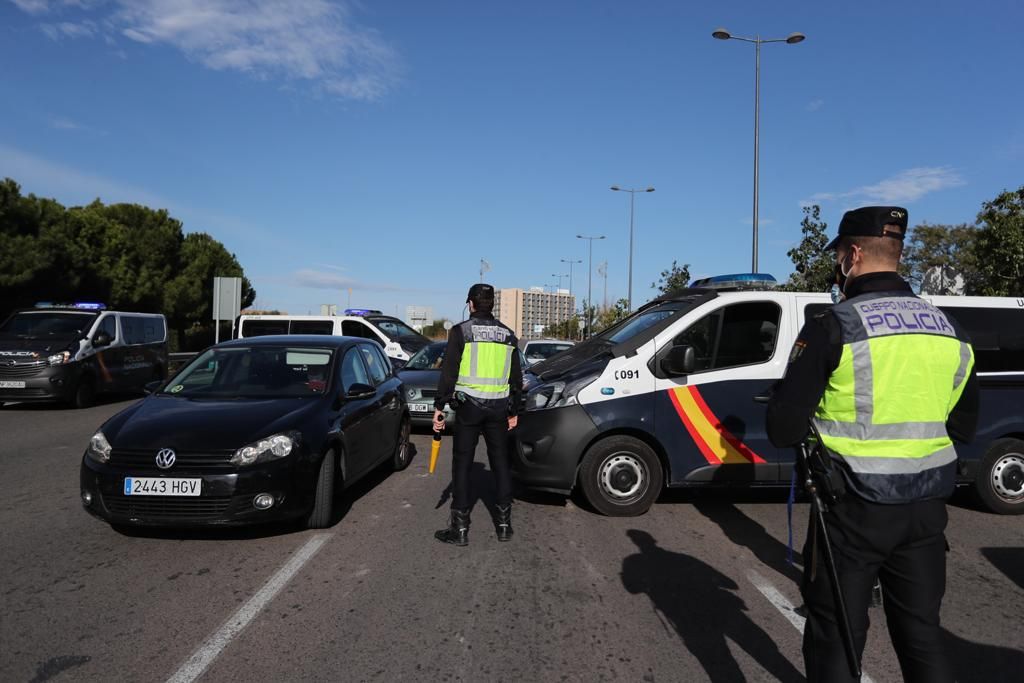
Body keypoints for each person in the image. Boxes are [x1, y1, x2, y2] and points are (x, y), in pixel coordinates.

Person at [766, 206, 979, 683]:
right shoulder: (949, 329)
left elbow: (783, 428)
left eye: (840, 253)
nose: (838, 262)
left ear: (854, 254)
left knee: (837, 633)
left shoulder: (834, 326)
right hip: (926, 509)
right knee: (923, 637)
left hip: (852, 509)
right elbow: (965, 424)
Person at [433, 283, 523, 546]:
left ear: (470, 304)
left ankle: (460, 529)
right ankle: (504, 525)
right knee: (500, 464)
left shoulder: (460, 332)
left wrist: (440, 407)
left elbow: (449, 372)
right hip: (498, 408)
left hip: (469, 408)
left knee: (462, 464)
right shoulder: (508, 335)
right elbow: (516, 377)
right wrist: (514, 408)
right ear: (491, 304)